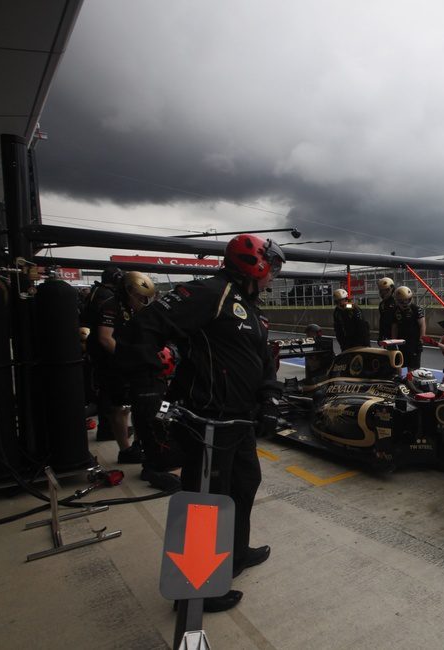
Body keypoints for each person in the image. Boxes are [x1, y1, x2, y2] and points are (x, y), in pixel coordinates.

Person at [118, 234, 284, 613]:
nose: (273, 275)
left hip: (239, 420)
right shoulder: (210, 292)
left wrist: (271, 398)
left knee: (244, 484)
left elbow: (263, 360)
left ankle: (234, 556)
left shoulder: (250, 307)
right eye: (272, 268)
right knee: (206, 500)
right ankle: (194, 590)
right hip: (208, 419)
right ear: (254, 265)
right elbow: (142, 329)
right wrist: (149, 378)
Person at [92, 271, 157, 463]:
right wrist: (127, 357)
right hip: (113, 365)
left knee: (137, 405)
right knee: (119, 409)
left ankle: (139, 443)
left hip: (130, 364)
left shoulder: (133, 307)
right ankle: (125, 449)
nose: (142, 300)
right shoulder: (111, 306)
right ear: (129, 290)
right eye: (139, 296)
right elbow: (105, 338)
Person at [83, 266, 122, 441]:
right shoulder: (107, 297)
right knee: (109, 393)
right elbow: (105, 336)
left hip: (94, 349)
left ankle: (108, 428)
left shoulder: (96, 292)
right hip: (104, 352)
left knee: (104, 391)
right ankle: (108, 430)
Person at [391, 286, 425, 372]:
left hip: (414, 341)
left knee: (413, 367)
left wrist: (421, 339)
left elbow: (422, 325)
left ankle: (411, 382)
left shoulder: (416, 309)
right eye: (402, 301)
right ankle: (399, 381)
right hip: (401, 341)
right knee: (399, 363)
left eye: (407, 300)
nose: (405, 303)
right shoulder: (395, 311)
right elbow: (394, 327)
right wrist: (393, 341)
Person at [377, 277, 397, 344]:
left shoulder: (398, 302)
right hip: (387, 336)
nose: (384, 293)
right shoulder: (382, 304)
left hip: (399, 335)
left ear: (392, 289)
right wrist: (380, 336)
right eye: (382, 291)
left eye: (386, 290)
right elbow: (382, 321)